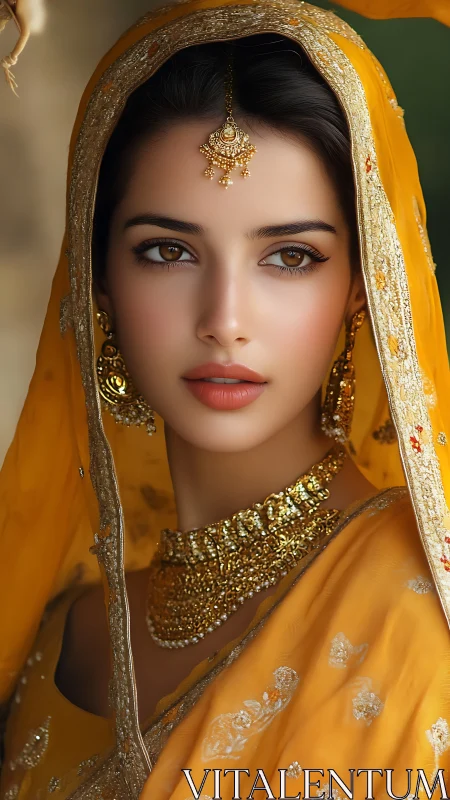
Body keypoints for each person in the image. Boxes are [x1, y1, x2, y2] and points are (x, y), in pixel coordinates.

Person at [0, 1, 449, 798]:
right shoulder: (59, 635)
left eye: (289, 257)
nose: (224, 322)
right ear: (98, 276)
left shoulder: (415, 616)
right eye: (167, 251)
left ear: (361, 286)